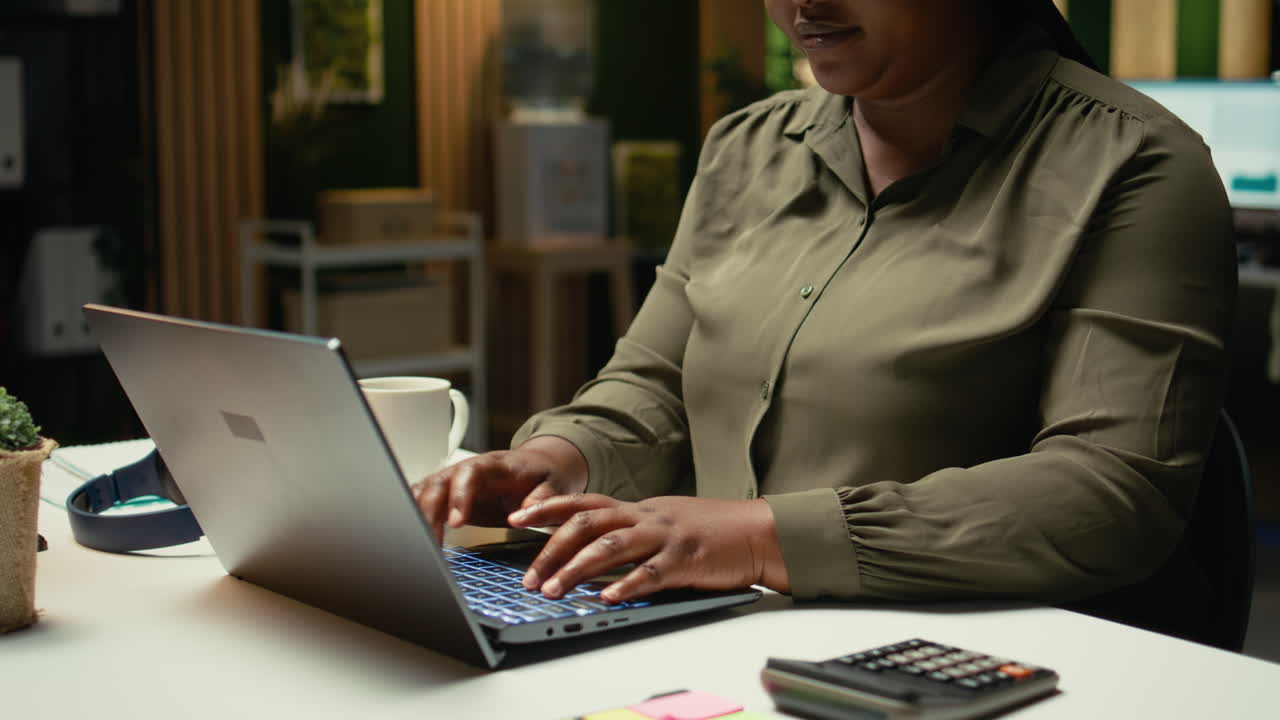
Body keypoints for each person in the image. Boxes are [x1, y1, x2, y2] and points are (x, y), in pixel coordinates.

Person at [418, 0, 1236, 638]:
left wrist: (756, 536)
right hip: (731, 632)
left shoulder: (1135, 163)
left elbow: (1112, 494)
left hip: (989, 659)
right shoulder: (747, 148)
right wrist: (558, 462)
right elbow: (656, 385)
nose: (803, 4)